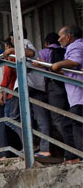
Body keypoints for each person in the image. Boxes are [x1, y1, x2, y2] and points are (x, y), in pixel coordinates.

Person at [39, 32, 77, 161]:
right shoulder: (66, 50)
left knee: (58, 120)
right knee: (71, 118)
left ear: (46, 43)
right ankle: (73, 150)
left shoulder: (44, 52)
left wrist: (41, 65)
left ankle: (71, 152)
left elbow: (47, 70)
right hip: (68, 88)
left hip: (55, 87)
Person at [52, 25, 83, 162]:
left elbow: (76, 62)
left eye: (61, 36)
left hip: (79, 96)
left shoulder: (76, 46)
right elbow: (70, 71)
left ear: (68, 36)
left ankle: (81, 157)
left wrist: (58, 65)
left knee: (78, 126)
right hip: (76, 96)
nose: (59, 40)